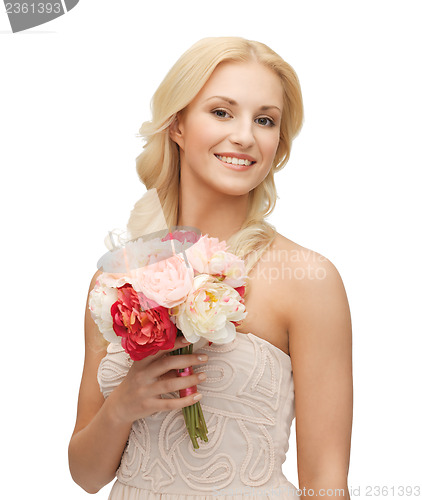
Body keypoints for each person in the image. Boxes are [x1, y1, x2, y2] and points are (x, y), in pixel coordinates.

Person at [68, 36, 353, 499]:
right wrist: (122, 405)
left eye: (265, 120)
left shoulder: (309, 280)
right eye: (222, 112)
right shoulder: (114, 280)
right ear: (177, 125)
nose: (244, 135)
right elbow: (86, 475)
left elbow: (324, 484)